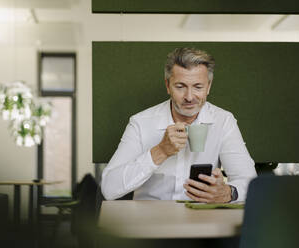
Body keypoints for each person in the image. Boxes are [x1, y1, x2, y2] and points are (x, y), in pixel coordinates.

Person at [101, 47, 257, 203]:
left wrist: (229, 193)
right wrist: (160, 151)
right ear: (168, 86)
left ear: (208, 86)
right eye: (180, 87)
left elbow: (250, 182)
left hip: (202, 219)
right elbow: (109, 188)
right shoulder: (141, 123)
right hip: (150, 220)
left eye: (198, 87)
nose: (189, 97)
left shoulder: (223, 121)